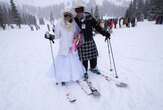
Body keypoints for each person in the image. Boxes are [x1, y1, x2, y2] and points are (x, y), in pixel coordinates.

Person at [45, 8, 85, 86]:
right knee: (63, 64)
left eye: (69, 15)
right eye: (66, 15)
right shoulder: (59, 24)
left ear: (71, 16)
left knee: (73, 63)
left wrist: (77, 37)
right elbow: (57, 35)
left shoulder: (74, 24)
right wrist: (50, 36)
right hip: (63, 47)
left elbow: (77, 33)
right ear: (63, 15)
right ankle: (63, 78)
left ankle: (75, 76)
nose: (67, 17)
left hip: (72, 47)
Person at [73, 0, 111, 79]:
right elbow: (69, 29)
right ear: (75, 11)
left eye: (81, 9)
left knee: (94, 55)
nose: (79, 12)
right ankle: (84, 71)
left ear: (83, 9)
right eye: (77, 10)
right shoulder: (75, 20)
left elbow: (97, 26)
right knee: (84, 59)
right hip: (81, 41)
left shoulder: (89, 16)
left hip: (90, 39)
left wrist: (105, 33)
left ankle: (93, 68)